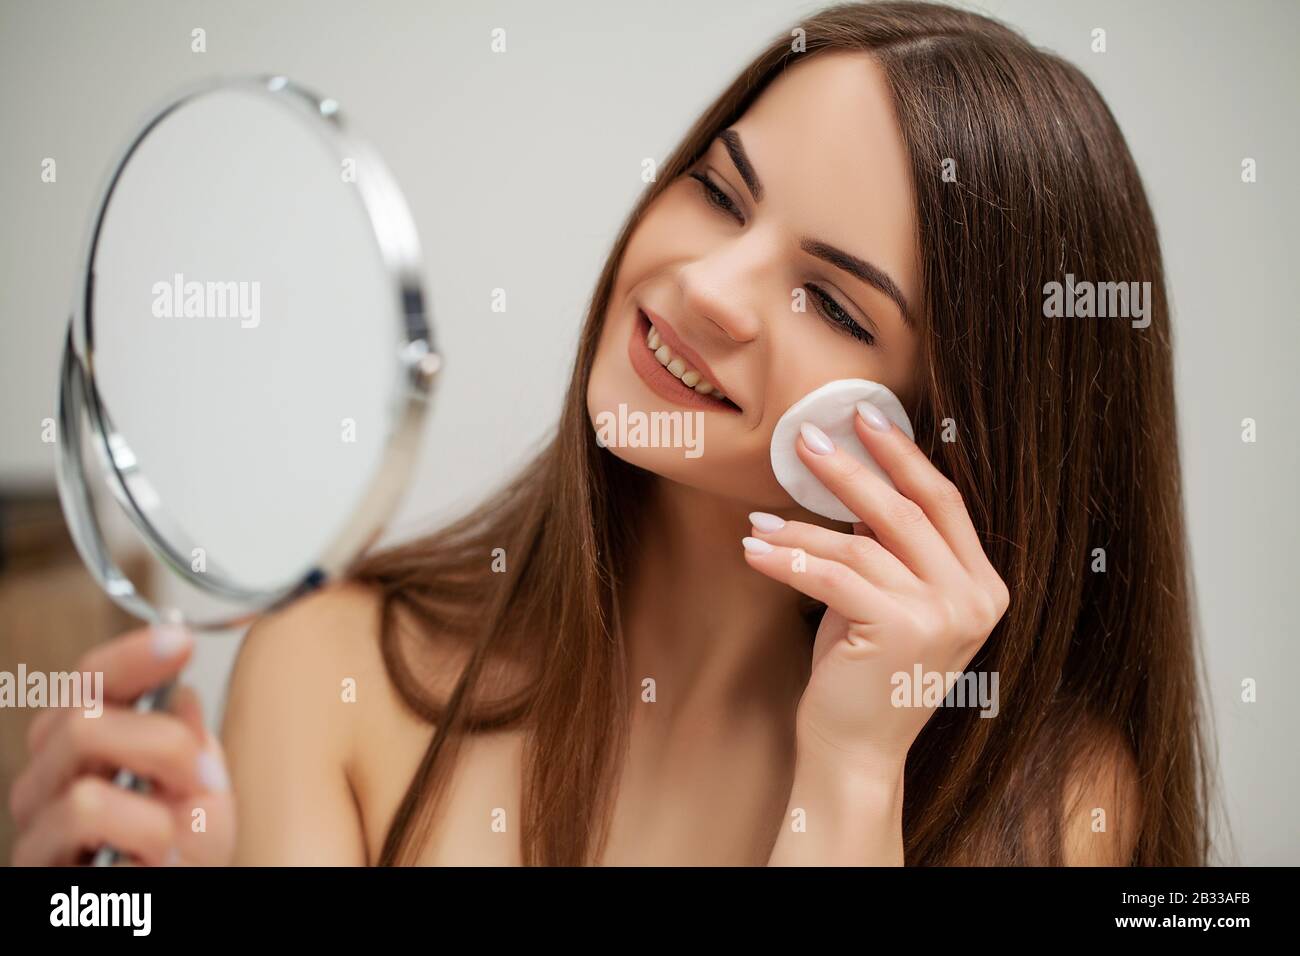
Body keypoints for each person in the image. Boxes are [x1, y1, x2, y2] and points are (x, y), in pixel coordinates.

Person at [9, 1, 1211, 867]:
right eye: (718, 190)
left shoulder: (1053, 803)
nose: (707, 288)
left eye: (836, 302)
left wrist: (851, 778)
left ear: (953, 439)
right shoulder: (330, 664)